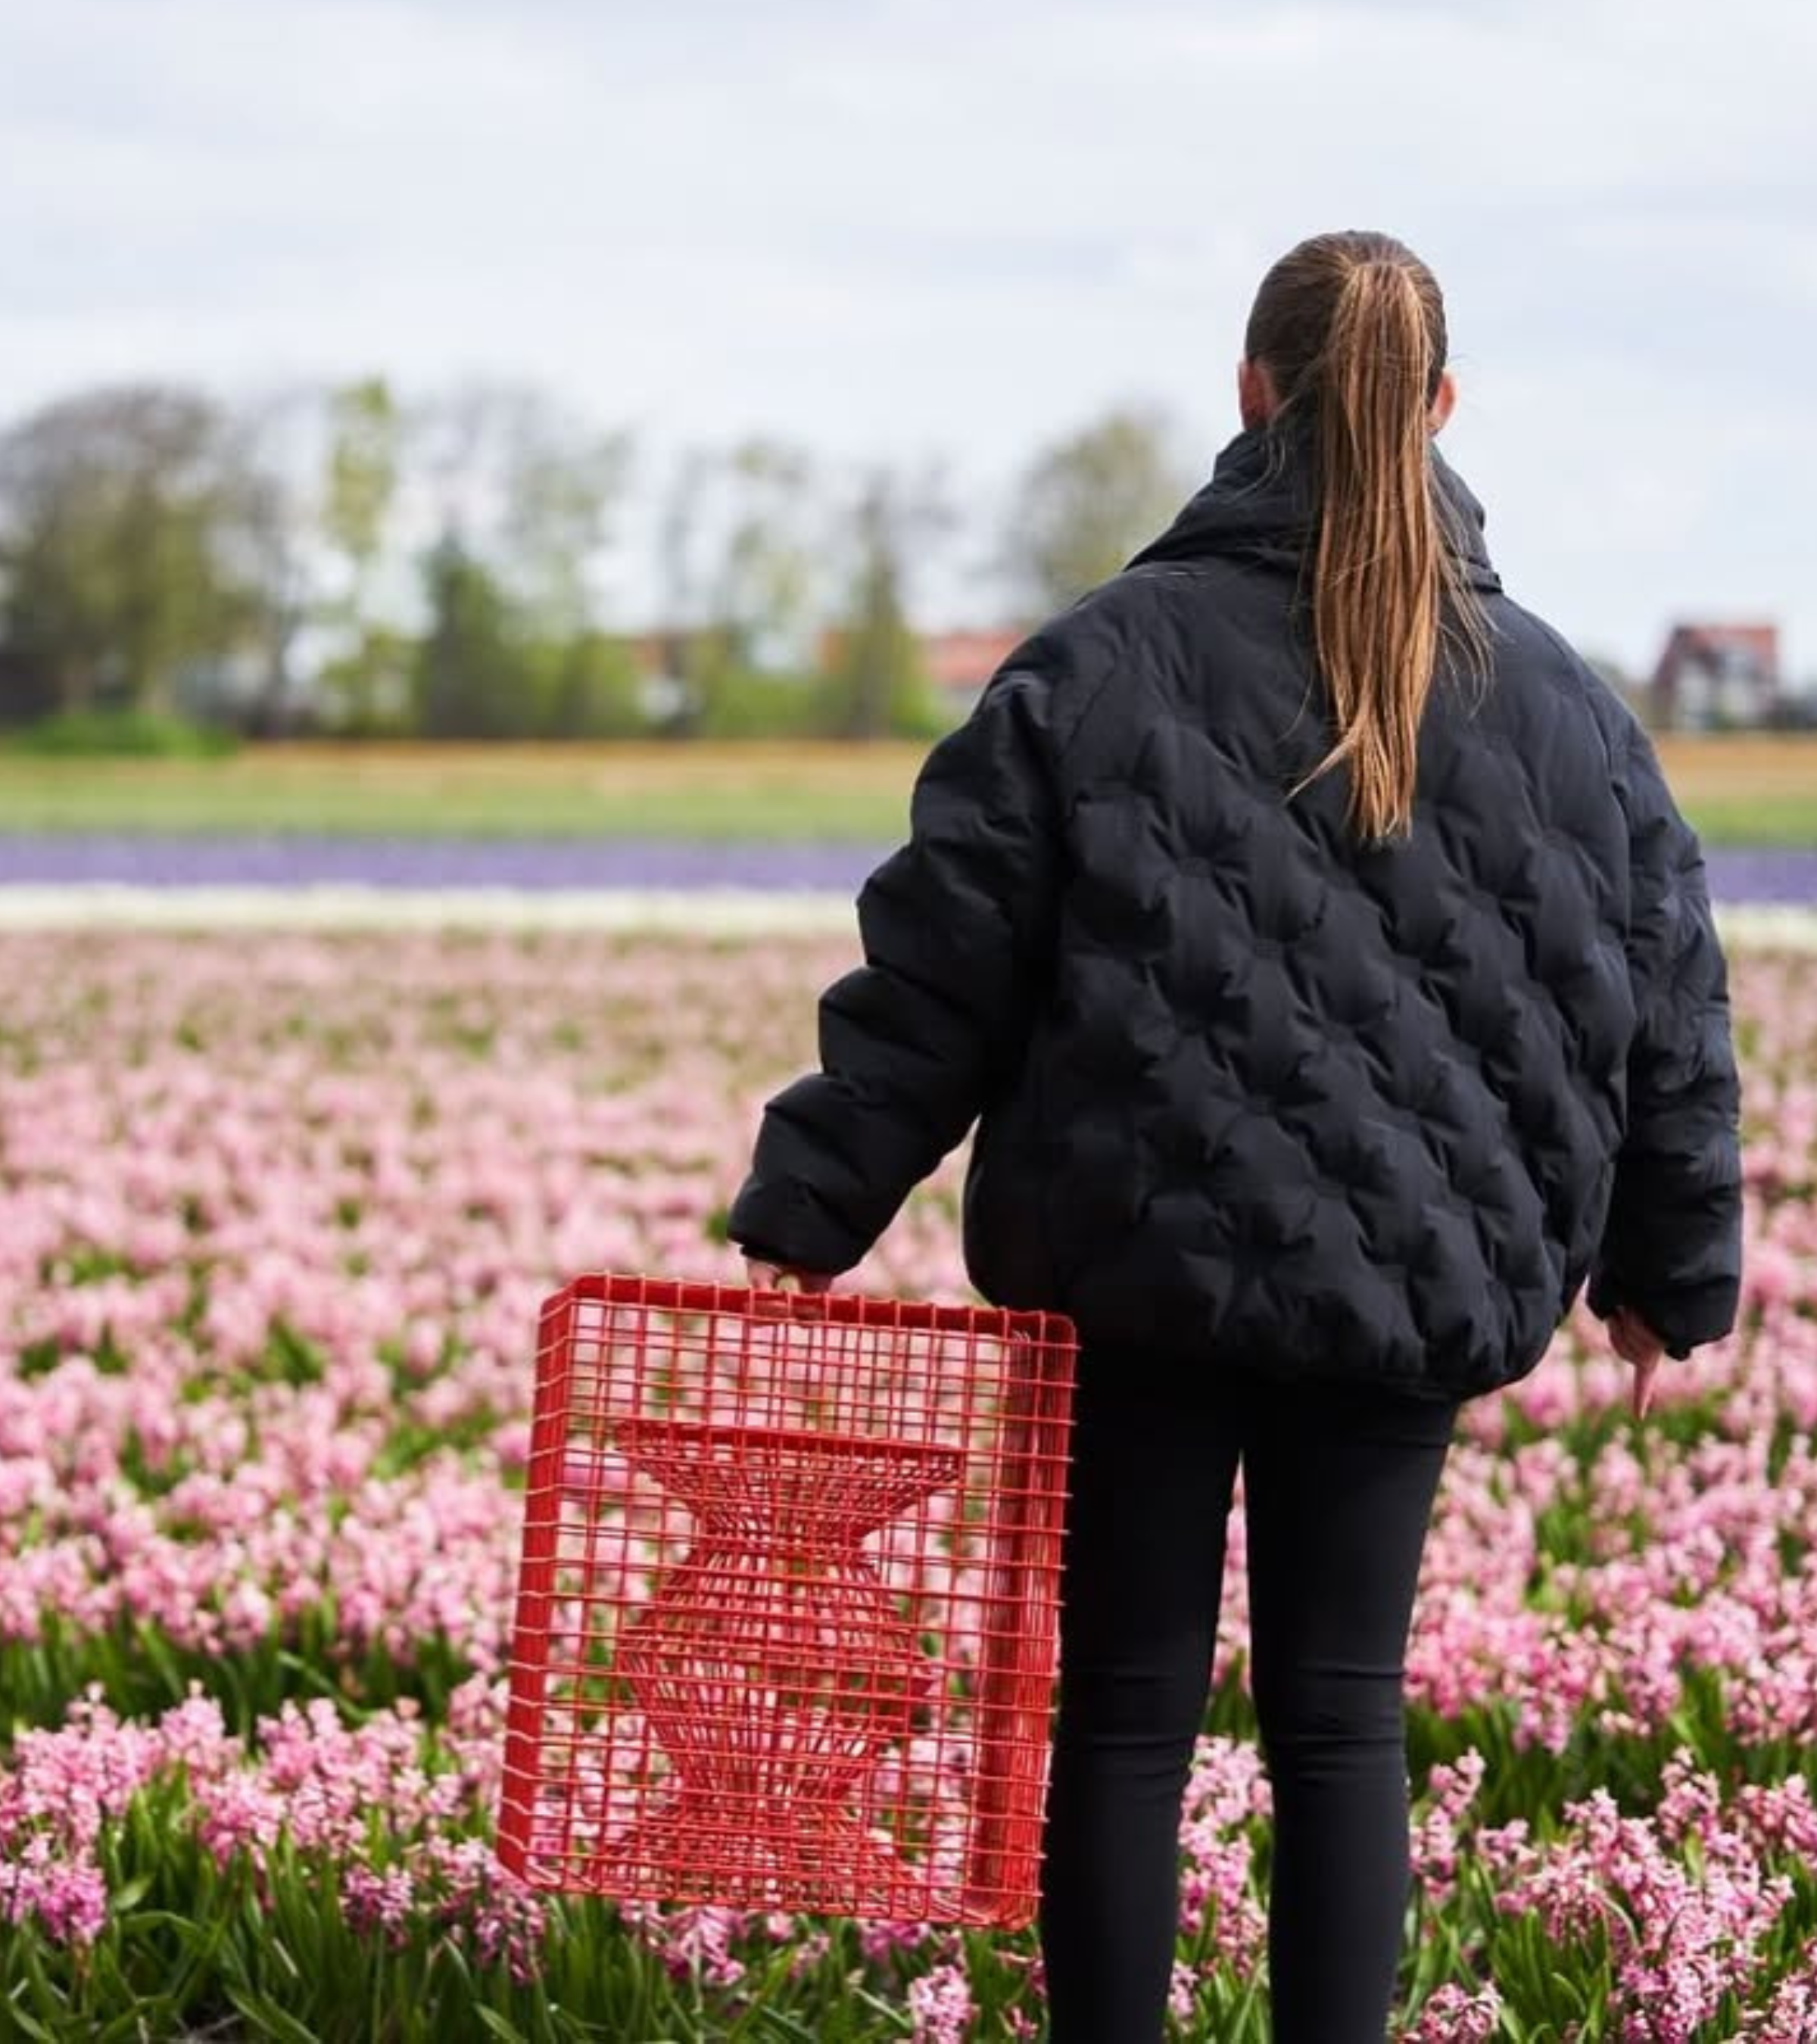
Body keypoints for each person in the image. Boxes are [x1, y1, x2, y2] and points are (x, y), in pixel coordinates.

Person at [727, 229, 1743, 2042]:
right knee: (1342, 1720)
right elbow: (1666, 1000)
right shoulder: (1576, 715)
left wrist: (815, 1200)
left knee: (1124, 1713)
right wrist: (1673, 1271)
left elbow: (942, 959)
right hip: (1414, 1289)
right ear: (1437, 410)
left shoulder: (1096, 665)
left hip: (1135, 1274)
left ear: (1251, 389)